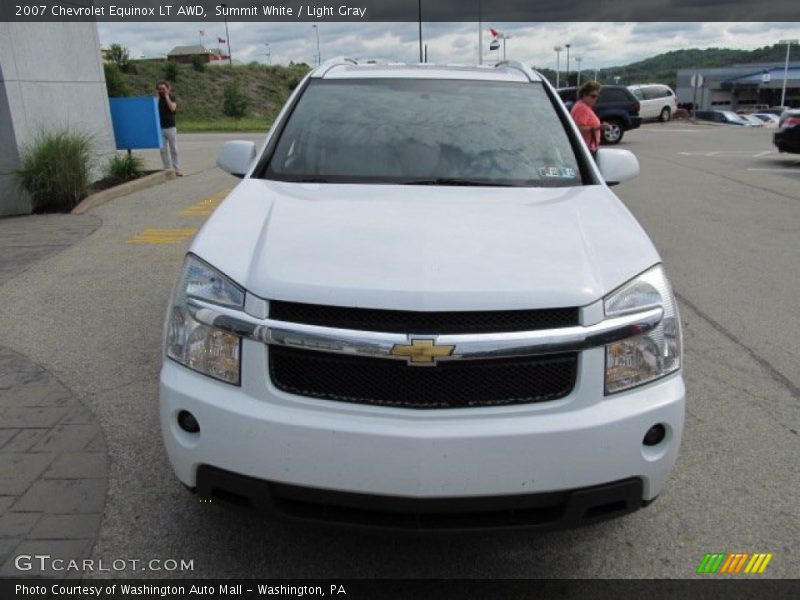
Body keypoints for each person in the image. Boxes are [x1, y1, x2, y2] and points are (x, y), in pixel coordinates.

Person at [570, 80, 607, 157]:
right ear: (584, 94)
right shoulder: (581, 108)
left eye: (597, 96)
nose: (595, 99)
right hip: (586, 149)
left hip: (588, 147)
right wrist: (598, 127)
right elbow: (578, 128)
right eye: (593, 96)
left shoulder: (584, 107)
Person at [155, 80, 182, 176]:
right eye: (159, 89)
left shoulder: (171, 97)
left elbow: (172, 108)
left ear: (167, 89)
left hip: (170, 127)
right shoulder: (157, 99)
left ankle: (177, 169)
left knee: (173, 148)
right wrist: (157, 97)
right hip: (160, 128)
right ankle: (167, 168)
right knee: (163, 150)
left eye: (163, 89)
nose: (161, 90)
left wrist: (166, 96)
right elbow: (154, 109)